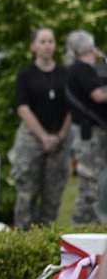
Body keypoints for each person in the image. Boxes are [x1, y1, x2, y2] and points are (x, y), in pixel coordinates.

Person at [8, 26, 71, 229]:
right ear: (33, 46)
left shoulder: (64, 74)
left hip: (59, 139)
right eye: (42, 41)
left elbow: (72, 106)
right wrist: (43, 136)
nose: (47, 46)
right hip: (32, 139)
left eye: (50, 41)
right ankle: (23, 243)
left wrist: (59, 136)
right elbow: (22, 108)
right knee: (26, 194)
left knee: (52, 196)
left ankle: (45, 242)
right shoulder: (26, 76)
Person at [64, 29, 107, 224]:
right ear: (90, 47)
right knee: (92, 186)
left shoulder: (90, 68)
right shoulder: (81, 69)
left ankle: (85, 230)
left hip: (95, 135)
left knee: (95, 185)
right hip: (91, 137)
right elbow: (99, 95)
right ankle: (82, 230)